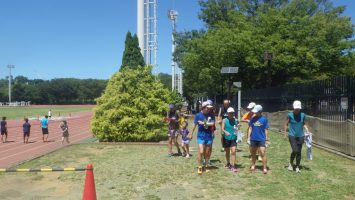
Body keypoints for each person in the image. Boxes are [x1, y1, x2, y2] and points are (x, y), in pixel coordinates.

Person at [284, 100, 310, 173]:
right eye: (296, 109)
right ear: (293, 108)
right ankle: (291, 163)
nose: (297, 110)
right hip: (292, 135)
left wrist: (307, 130)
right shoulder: (289, 115)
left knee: (299, 152)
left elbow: (304, 123)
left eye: (298, 109)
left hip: (301, 135)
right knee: (295, 150)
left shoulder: (303, 115)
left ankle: (298, 166)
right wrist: (285, 133)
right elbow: (286, 124)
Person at [191, 101, 215, 175]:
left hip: (209, 136)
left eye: (209, 108)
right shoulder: (198, 115)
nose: (209, 110)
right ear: (203, 108)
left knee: (207, 152)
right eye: (207, 108)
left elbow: (212, 123)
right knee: (201, 151)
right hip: (200, 136)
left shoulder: (211, 115)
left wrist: (203, 123)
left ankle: (206, 165)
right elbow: (194, 124)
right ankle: (200, 166)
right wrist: (191, 133)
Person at [248, 105, 269, 174]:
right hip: (253, 138)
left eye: (256, 112)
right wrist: (248, 137)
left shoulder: (264, 119)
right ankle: (253, 165)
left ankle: (265, 167)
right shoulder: (252, 119)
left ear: (260, 111)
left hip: (261, 139)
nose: (255, 113)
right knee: (253, 153)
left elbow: (266, 129)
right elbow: (250, 128)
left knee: (262, 152)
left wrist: (266, 138)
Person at [221, 107, 239, 172]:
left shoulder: (236, 120)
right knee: (227, 151)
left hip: (233, 137)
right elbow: (222, 129)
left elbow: (237, 129)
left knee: (233, 151)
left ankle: (233, 165)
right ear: (227, 113)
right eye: (230, 113)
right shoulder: (224, 120)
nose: (231, 114)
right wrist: (226, 132)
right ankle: (228, 163)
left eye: (232, 113)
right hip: (226, 138)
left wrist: (238, 134)